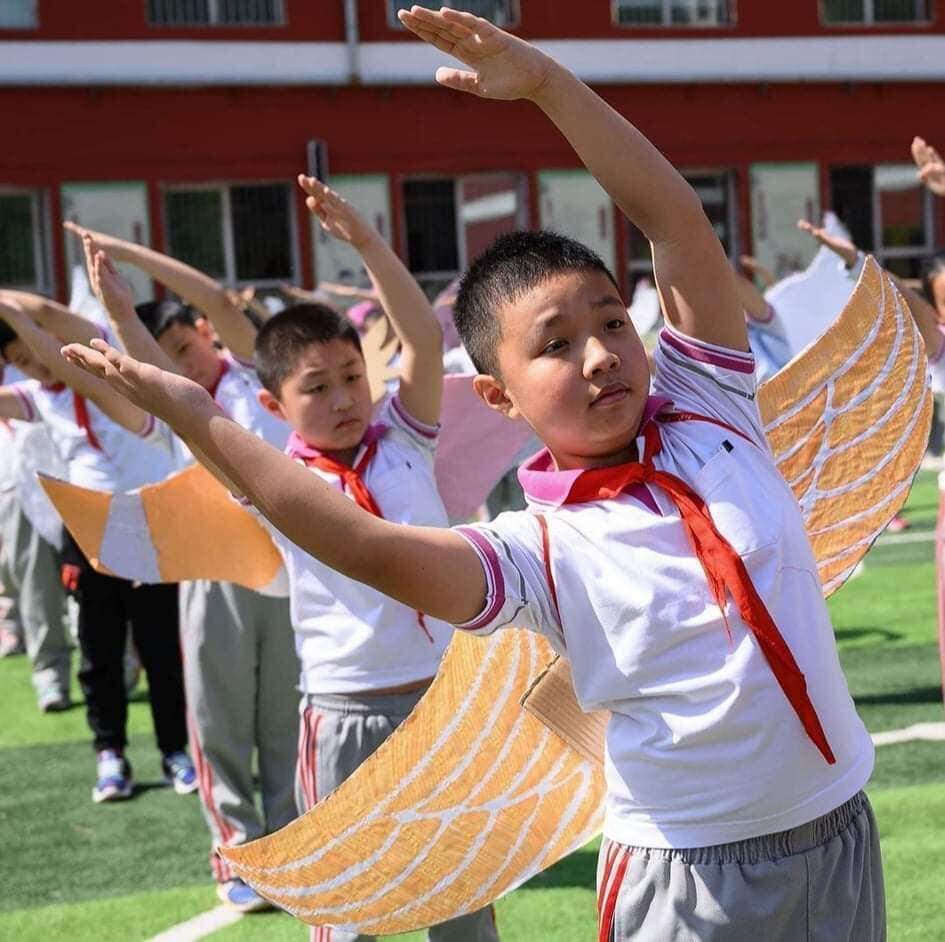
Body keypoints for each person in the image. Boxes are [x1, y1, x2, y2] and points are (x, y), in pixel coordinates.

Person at [62, 9, 883, 940]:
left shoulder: (711, 413)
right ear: (496, 396)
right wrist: (192, 409)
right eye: (556, 346)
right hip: (692, 872)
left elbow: (670, 214)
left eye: (612, 321)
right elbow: (356, 541)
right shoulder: (533, 548)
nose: (603, 355)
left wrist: (549, 87)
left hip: (839, 831)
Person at [70, 227, 300, 914]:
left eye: (186, 347)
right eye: (168, 357)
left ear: (207, 331)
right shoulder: (176, 398)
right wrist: (118, 309)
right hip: (214, 564)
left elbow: (210, 296)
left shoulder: (262, 374)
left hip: (295, 565)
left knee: (286, 717)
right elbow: (142, 363)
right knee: (219, 716)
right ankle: (236, 848)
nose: (185, 363)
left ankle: (289, 847)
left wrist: (135, 256)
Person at [0, 297, 193, 803]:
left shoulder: (104, 369)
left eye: (38, 352)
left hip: (150, 520)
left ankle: (177, 751)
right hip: (88, 529)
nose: (38, 366)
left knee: (161, 645)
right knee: (99, 649)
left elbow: (49, 316)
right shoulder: (38, 398)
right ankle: (111, 752)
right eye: (21, 361)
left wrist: (17, 311)